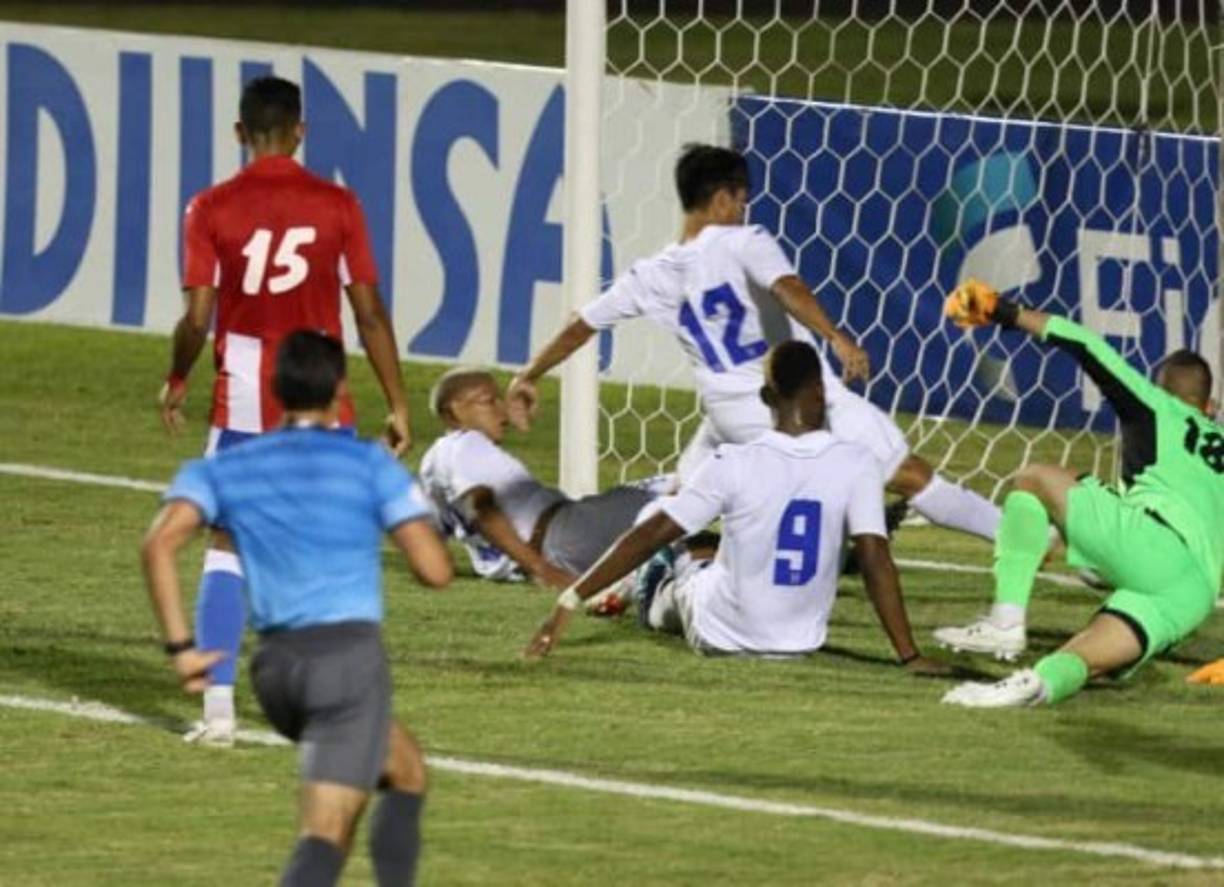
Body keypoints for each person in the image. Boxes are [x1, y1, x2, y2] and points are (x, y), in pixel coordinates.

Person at [506, 143, 1000, 545]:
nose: (744, 211)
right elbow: (787, 288)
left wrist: (527, 375)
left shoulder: (650, 273)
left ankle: (614, 584)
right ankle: (1024, 540)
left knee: (681, 501)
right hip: (791, 404)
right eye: (742, 201)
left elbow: (580, 326)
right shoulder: (743, 239)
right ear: (724, 198)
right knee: (909, 476)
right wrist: (836, 336)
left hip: (727, 413)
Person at [142, 331, 451, 886]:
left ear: (277, 391)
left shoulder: (225, 467)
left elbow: (159, 545)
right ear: (339, 390)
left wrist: (181, 648)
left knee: (404, 770)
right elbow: (434, 571)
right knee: (326, 834)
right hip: (344, 666)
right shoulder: (366, 464)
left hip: (275, 672)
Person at [157, 75, 411, 744]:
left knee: (228, 545)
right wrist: (398, 401)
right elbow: (369, 310)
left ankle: (218, 710)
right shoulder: (338, 204)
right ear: (300, 131)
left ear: (240, 133)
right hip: (324, 392)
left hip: (244, 392)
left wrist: (178, 372)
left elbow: (199, 315)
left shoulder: (210, 207)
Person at [524, 340, 948, 675]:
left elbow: (650, 534)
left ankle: (644, 584)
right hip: (798, 641)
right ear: (823, 392)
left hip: (717, 630)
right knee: (710, 544)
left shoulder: (733, 460)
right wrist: (909, 656)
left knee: (672, 541)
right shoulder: (857, 463)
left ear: (766, 396)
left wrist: (571, 598)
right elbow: (877, 557)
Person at [935, 280, 1223, 707]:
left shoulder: (1156, 406)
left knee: (1034, 478)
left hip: (1157, 549)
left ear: (1159, 389)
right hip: (1193, 595)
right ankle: (1025, 689)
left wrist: (1002, 310)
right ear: (1211, 407)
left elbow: (1085, 343)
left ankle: (1005, 620)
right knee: (1083, 660)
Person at [419, 368, 666, 596]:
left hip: (560, 541)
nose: (502, 409)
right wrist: (543, 570)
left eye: (500, 399)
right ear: (453, 411)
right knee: (683, 491)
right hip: (566, 536)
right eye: (488, 401)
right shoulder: (465, 444)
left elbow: (432, 534)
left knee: (669, 506)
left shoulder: (433, 466)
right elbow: (482, 510)